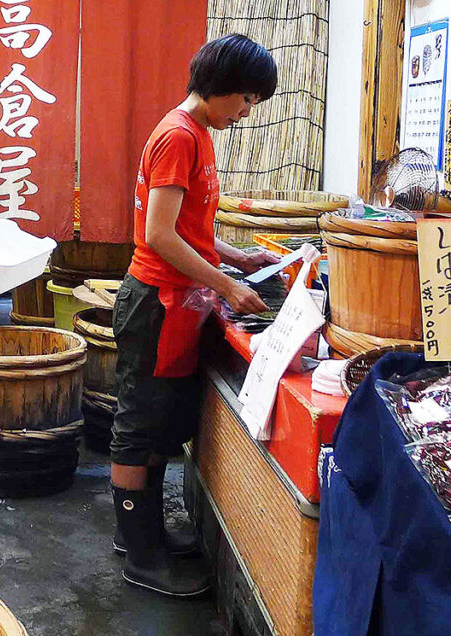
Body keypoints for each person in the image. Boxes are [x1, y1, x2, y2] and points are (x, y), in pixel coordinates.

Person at [110, 34, 280, 597]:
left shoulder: (199, 133)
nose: (247, 110)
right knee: (138, 428)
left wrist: (236, 256)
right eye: (247, 98)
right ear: (221, 86)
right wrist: (228, 285)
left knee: (159, 424)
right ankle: (139, 554)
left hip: (178, 304)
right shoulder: (179, 136)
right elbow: (158, 235)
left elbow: (188, 230)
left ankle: (147, 533)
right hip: (156, 303)